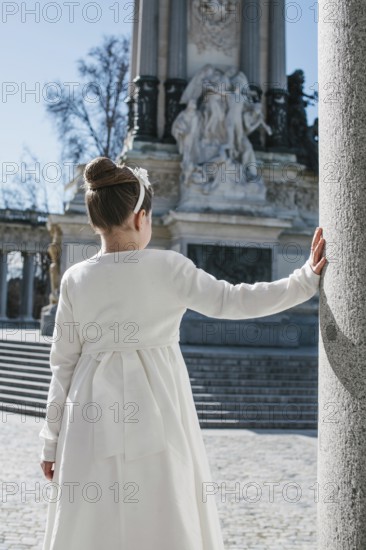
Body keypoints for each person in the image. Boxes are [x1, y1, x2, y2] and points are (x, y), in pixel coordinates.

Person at [39, 156, 327, 550]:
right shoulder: (169, 267)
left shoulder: (74, 279)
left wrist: (50, 443)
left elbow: (63, 366)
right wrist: (304, 280)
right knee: (163, 514)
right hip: (158, 411)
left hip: (88, 416)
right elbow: (234, 300)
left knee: (91, 521)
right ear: (141, 218)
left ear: (95, 220)